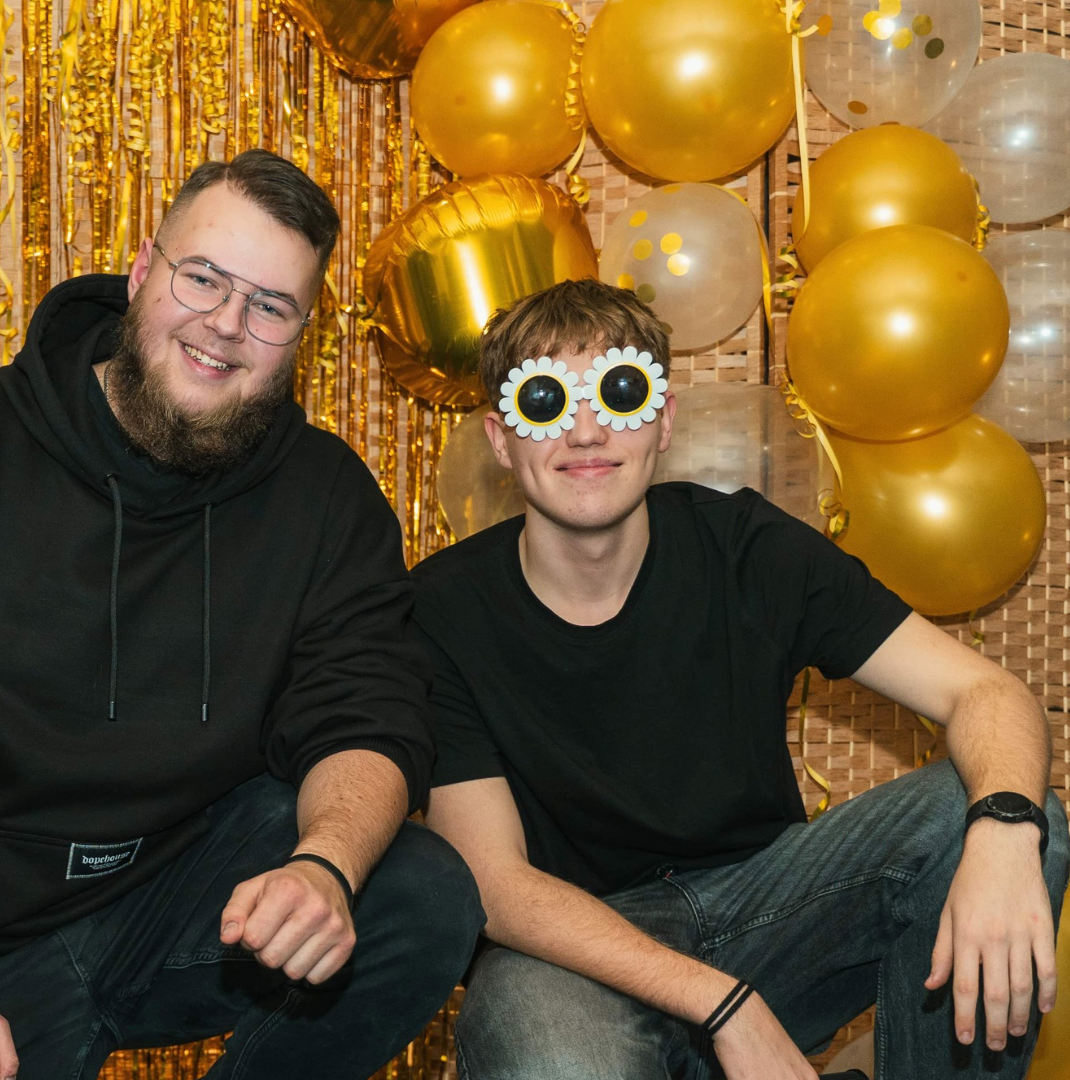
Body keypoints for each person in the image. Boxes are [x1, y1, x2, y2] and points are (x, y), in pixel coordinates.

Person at [0, 148, 483, 1080]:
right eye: (203, 277)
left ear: (301, 334)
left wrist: (325, 868)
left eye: (271, 306)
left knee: (418, 891)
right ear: (142, 270)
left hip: (191, 904)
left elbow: (368, 712)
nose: (226, 324)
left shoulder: (326, 497)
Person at [412, 277, 1070, 1080]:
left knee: (1000, 808)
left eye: (620, 393)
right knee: (551, 1056)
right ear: (501, 438)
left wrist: (1005, 830)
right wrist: (720, 1002)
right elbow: (495, 882)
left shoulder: (748, 549)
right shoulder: (440, 611)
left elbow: (985, 694)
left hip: (770, 913)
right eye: (545, 401)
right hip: (571, 958)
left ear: (664, 421)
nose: (585, 431)